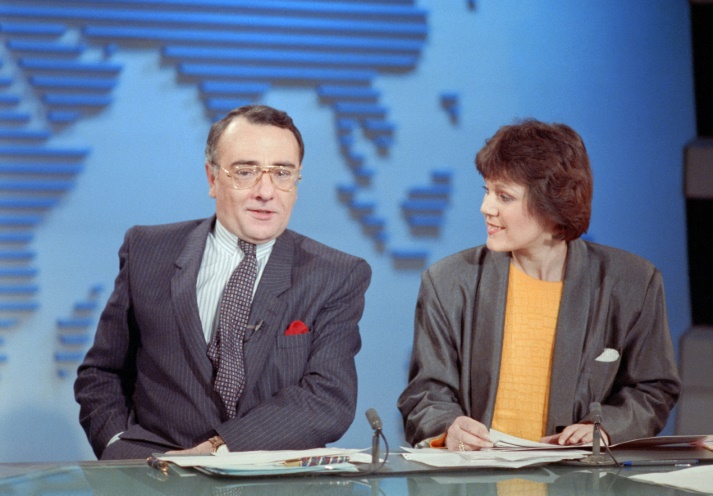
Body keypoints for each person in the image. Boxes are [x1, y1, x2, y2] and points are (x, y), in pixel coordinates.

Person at [75, 104, 372, 460]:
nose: (266, 191)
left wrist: (221, 447)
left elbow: (328, 398)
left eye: (282, 173)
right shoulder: (147, 250)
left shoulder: (336, 274)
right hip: (154, 474)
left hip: (273, 479)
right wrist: (117, 447)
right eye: (246, 172)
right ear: (212, 178)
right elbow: (102, 372)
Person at [397, 119, 681, 450]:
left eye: (504, 196)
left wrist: (604, 428)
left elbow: (653, 387)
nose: (486, 208)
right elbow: (425, 393)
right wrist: (448, 428)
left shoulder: (632, 282)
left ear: (552, 205)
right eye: (487, 191)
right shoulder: (448, 282)